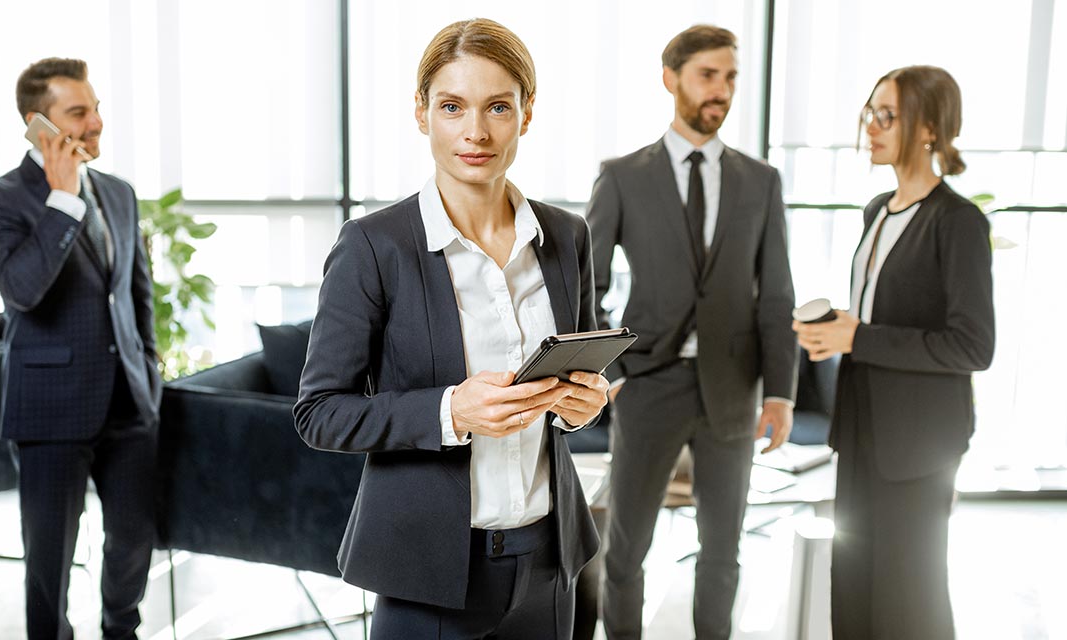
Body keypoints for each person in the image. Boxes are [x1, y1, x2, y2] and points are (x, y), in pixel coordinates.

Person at [294, 18, 607, 640]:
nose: (476, 132)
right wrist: (451, 411)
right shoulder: (374, 247)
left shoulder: (567, 237)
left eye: (498, 106)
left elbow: (578, 373)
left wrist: (582, 404)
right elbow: (319, 413)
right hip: (430, 572)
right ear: (421, 113)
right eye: (452, 106)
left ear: (527, 112)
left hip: (549, 561)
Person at [587, 24, 798, 640]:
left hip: (734, 389)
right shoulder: (623, 175)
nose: (722, 90)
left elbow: (776, 293)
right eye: (709, 75)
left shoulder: (761, 181)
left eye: (731, 77)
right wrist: (613, 373)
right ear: (670, 77)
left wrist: (781, 392)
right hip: (647, 385)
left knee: (723, 552)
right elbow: (584, 286)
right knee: (625, 552)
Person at [793, 65, 994, 639]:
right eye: (870, 113)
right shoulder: (877, 209)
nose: (872, 128)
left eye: (888, 116)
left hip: (919, 441)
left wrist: (857, 338)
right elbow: (879, 316)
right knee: (853, 584)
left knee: (911, 595)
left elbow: (973, 346)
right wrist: (832, 330)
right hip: (860, 428)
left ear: (930, 127)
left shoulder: (958, 222)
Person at [0, 58, 161, 640]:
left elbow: (136, 292)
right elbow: (23, 291)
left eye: (96, 107)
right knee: (49, 559)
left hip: (129, 401)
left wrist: (149, 368)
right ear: (39, 124)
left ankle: (119, 632)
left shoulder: (121, 194)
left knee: (131, 541)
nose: (97, 122)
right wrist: (62, 201)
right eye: (79, 112)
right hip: (51, 408)